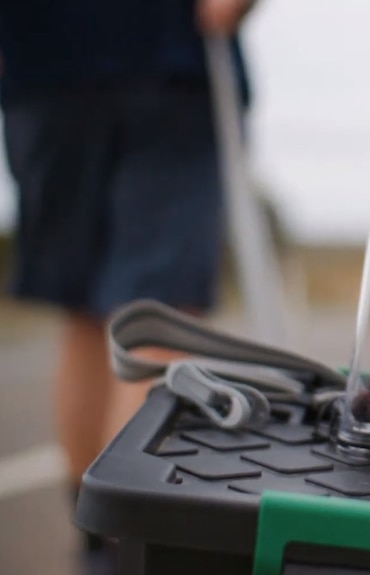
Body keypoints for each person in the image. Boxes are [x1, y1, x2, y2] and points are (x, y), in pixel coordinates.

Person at [0, 0, 257, 573]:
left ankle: (102, 546)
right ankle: (123, 549)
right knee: (151, 317)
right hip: (151, 62)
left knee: (94, 315)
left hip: (51, 63)